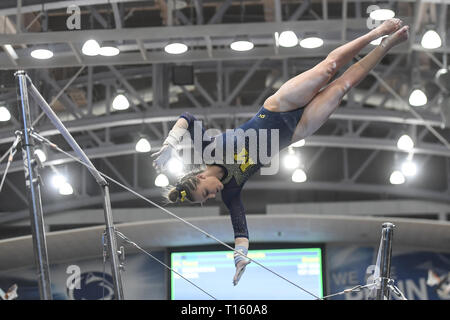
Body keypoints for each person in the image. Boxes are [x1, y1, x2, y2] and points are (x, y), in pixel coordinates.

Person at [152, 19, 410, 286]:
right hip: (296, 131)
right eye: (206, 199)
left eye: (205, 193)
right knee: (342, 86)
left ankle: (378, 32)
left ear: (200, 178)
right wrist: (240, 257)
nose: (212, 196)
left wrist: (170, 144)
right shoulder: (231, 193)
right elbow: (241, 230)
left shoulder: (208, 150)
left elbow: (188, 117)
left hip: (277, 108)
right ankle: (387, 45)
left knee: (329, 69)